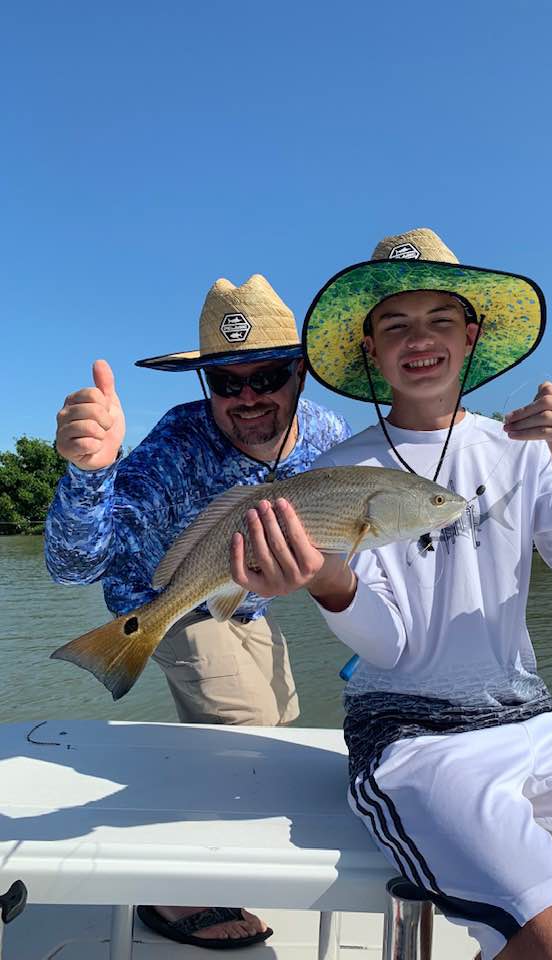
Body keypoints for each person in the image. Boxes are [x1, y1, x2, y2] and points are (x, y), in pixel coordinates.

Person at [228, 229, 552, 960]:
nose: (417, 340)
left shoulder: (524, 452)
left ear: (472, 335)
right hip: (411, 740)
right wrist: (329, 582)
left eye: (439, 320)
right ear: (371, 348)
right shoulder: (337, 472)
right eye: (395, 324)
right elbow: (390, 645)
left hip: (535, 716)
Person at [45, 273, 350, 950]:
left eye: (266, 375)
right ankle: (172, 891)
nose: (246, 398)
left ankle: (217, 839)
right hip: (163, 600)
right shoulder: (176, 446)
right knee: (239, 731)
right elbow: (73, 567)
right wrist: (89, 473)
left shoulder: (330, 435)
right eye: (225, 381)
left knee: (282, 725)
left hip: (250, 606)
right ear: (205, 384)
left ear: (300, 373)